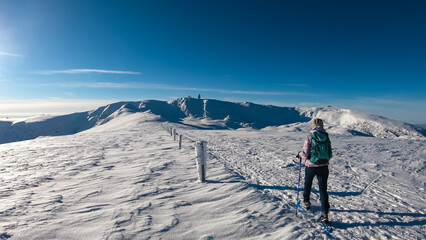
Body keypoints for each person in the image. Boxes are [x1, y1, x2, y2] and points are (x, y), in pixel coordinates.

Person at [297, 118, 332, 224]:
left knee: (308, 183)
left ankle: (306, 202)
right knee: (323, 190)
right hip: (324, 166)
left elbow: (306, 153)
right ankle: (325, 214)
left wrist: (300, 154)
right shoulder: (326, 136)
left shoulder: (310, 136)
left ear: (313, 125)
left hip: (311, 165)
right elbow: (330, 153)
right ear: (322, 125)